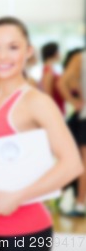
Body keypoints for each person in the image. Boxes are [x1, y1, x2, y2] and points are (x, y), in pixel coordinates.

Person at [0, 17, 83, 251]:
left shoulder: (35, 101)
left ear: (28, 51)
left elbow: (72, 164)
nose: (3, 56)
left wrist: (16, 197)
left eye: (13, 47)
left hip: (26, 233)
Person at [58, 48, 86, 216]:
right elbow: (62, 83)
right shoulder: (80, 57)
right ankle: (80, 201)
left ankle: (80, 201)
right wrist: (75, 102)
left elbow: (63, 83)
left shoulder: (80, 57)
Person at [39, 42, 64, 113]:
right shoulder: (48, 70)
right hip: (54, 108)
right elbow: (47, 93)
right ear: (55, 53)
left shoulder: (50, 69)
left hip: (57, 106)